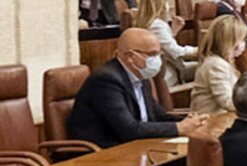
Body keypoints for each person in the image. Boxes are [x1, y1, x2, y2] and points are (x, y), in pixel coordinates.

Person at [66, 28, 206, 147]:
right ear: (131, 57)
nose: (157, 59)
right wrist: (178, 128)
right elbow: (128, 130)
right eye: (152, 54)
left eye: (159, 54)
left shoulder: (140, 75)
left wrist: (191, 121)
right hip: (103, 155)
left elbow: (157, 116)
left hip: (135, 147)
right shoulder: (106, 80)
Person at [136, 0, 197, 85]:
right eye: (166, 2)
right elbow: (175, 52)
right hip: (168, 74)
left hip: (169, 68)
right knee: (208, 67)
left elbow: (163, 46)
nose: (168, 5)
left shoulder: (149, 23)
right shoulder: (157, 25)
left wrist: (173, 32)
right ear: (160, 4)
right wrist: (198, 50)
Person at [191, 15, 247, 116]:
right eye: (241, 39)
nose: (243, 44)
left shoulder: (220, 61)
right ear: (228, 42)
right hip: (212, 122)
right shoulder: (216, 64)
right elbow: (227, 102)